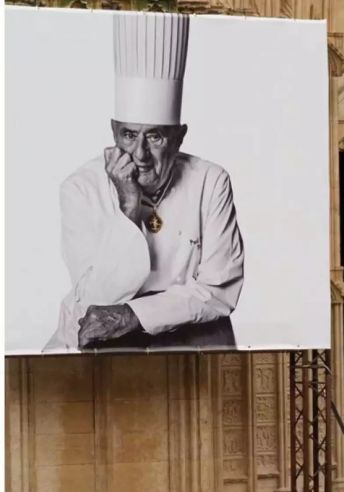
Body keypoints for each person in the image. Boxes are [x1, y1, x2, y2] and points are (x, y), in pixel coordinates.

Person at [46, 13, 244, 352]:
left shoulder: (211, 181)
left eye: (154, 136)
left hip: (186, 343)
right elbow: (95, 300)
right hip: (87, 349)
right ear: (113, 133)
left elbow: (218, 292)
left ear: (178, 137)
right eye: (128, 135)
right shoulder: (79, 188)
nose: (139, 154)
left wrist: (133, 314)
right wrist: (128, 207)